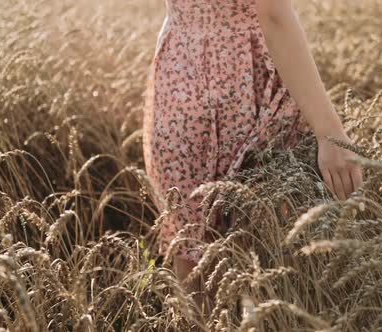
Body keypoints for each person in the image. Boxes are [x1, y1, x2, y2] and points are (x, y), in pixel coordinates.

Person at [142, 0, 363, 318]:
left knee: (193, 259)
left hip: (178, 76)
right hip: (243, 81)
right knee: (262, 265)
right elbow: (273, 14)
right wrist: (330, 133)